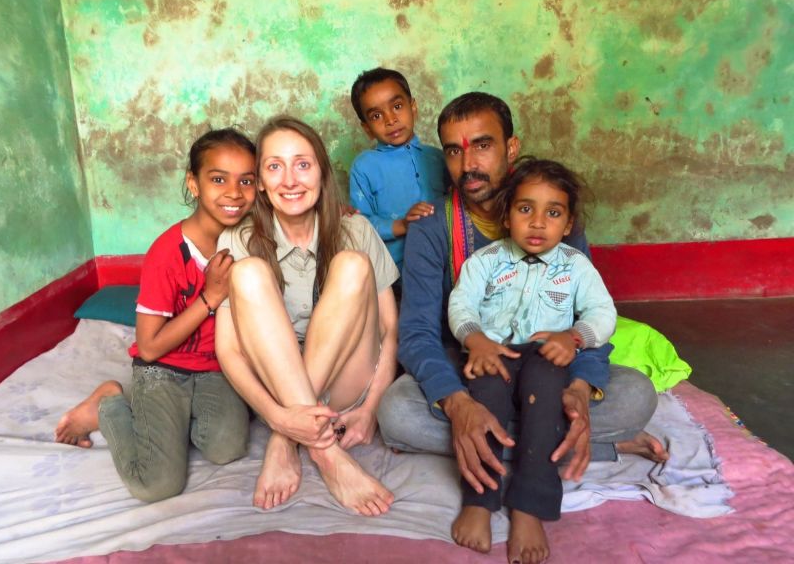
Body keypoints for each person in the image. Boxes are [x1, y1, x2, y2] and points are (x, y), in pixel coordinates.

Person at [377, 92, 669, 552]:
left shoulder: (557, 218)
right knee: (396, 411)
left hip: (548, 370)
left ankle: (518, 443)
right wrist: (458, 404)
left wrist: (579, 389)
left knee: (636, 394)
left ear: (511, 148)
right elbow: (416, 334)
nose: (468, 164)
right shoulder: (433, 229)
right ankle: (569, 445)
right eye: (453, 150)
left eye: (482, 145)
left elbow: (586, 318)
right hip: (476, 369)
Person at [54, 128, 256, 502]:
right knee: (156, 484)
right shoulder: (167, 253)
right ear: (193, 184)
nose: (234, 192)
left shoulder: (250, 241)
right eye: (218, 179)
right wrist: (209, 298)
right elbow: (149, 347)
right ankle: (110, 402)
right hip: (163, 368)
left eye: (246, 180)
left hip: (217, 369)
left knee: (227, 447)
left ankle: (171, 421)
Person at [214, 116, 399, 517]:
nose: (290, 180)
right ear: (261, 183)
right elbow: (228, 350)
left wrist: (370, 409)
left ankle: (285, 442)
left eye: (302, 164)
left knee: (352, 264)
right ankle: (326, 453)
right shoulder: (238, 238)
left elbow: (390, 329)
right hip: (277, 385)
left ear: (321, 172)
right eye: (274, 166)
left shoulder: (355, 229)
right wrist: (278, 415)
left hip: (345, 378)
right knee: (247, 272)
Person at [448, 159, 617, 563]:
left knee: (547, 398)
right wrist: (475, 340)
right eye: (526, 209)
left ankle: (529, 505)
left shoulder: (576, 267)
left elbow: (603, 313)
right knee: (485, 395)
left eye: (553, 213)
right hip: (494, 352)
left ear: (569, 223)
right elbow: (461, 305)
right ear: (507, 216)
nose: (538, 222)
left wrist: (573, 337)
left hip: (546, 357)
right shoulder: (484, 262)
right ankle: (479, 498)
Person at [349, 67, 446, 272]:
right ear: (367, 128)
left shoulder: (438, 158)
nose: (390, 119)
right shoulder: (364, 166)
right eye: (376, 115)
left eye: (397, 106)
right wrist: (401, 225)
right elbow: (359, 225)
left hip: (446, 265)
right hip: (393, 274)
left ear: (413, 107)